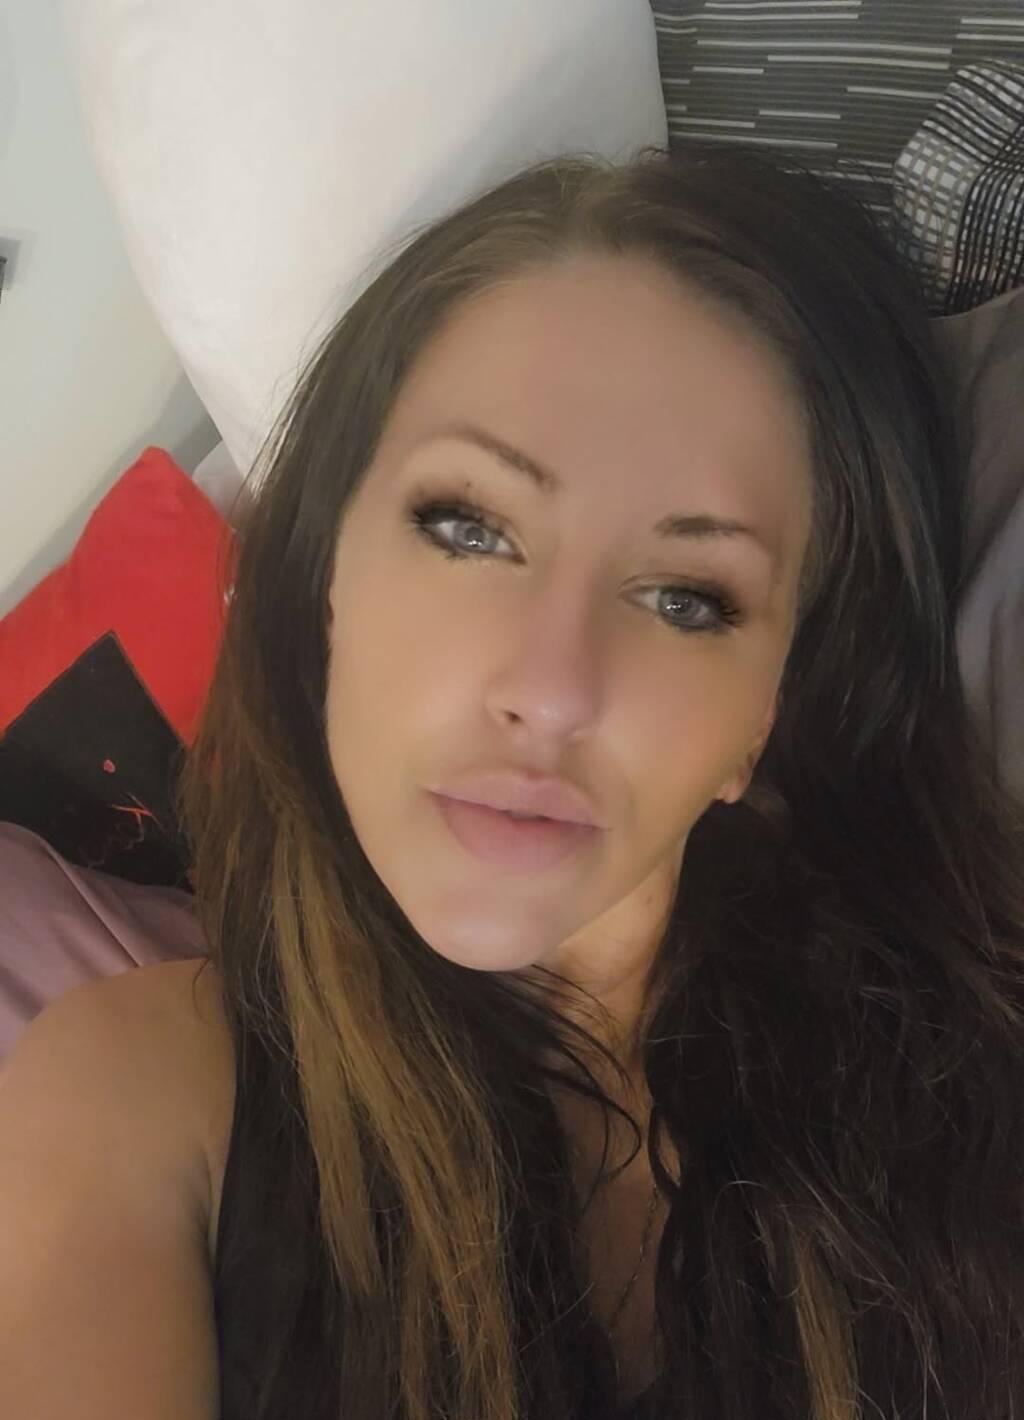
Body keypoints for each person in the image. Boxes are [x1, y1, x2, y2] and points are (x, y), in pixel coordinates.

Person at [2, 144, 1023, 1420]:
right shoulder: (139, 1094)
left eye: (686, 597)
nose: (550, 687)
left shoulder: (972, 1082)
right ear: (325, 585)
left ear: (762, 719)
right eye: (468, 527)